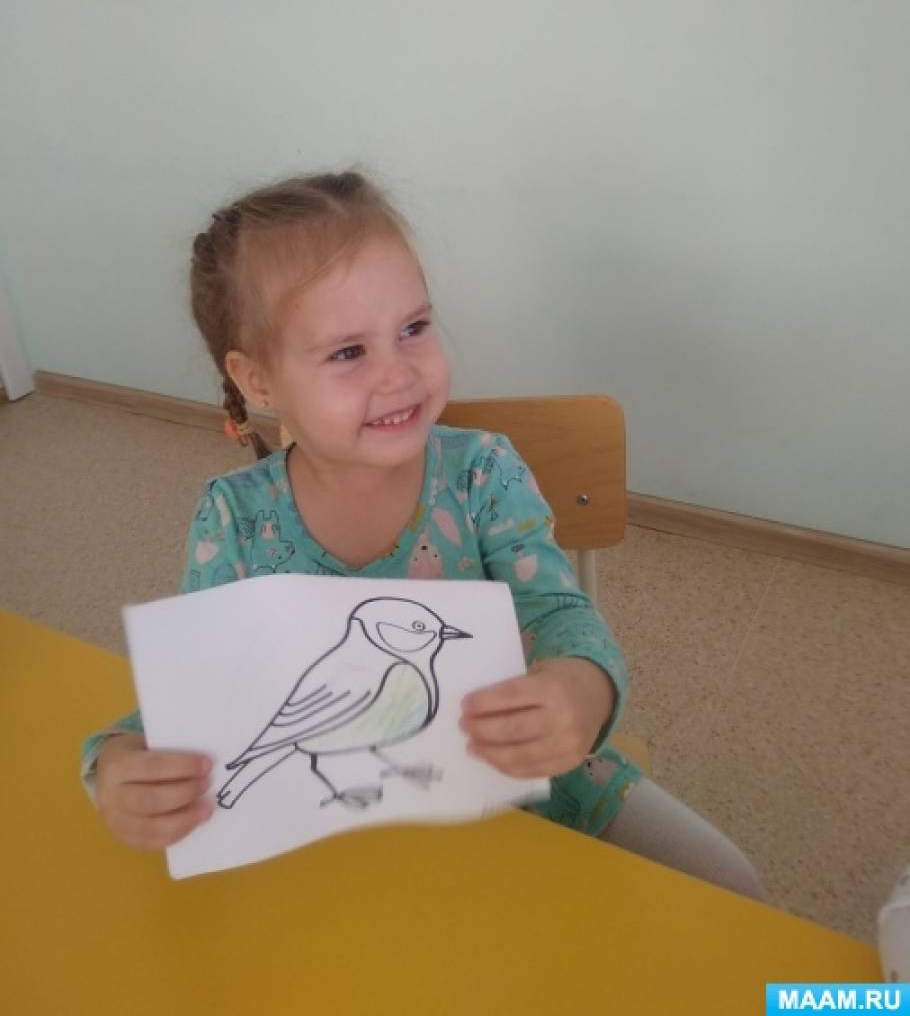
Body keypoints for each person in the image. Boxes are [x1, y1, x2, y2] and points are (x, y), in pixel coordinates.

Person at [81, 170, 763, 900]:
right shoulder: (235, 519)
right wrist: (116, 762)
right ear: (259, 381)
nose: (399, 373)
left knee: (732, 887)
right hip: (333, 832)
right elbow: (204, 696)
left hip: (528, 786)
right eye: (348, 352)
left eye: (413, 328)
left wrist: (580, 690)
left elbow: (562, 616)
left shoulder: (484, 474)